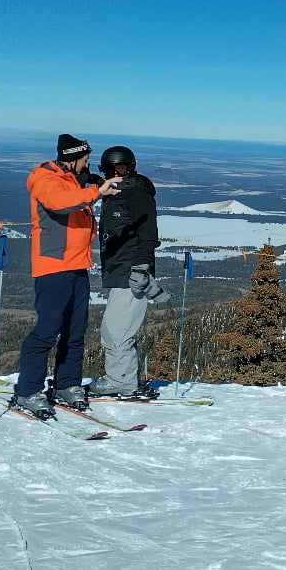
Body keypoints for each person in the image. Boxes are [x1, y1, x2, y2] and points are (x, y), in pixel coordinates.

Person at [13, 134, 119, 418]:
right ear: (72, 158)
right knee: (47, 331)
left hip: (76, 265)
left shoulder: (73, 177)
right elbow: (60, 203)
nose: (88, 164)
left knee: (75, 331)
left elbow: (84, 183)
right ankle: (28, 390)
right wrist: (97, 191)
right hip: (53, 266)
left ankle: (66, 385)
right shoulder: (45, 179)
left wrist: (98, 182)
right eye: (84, 159)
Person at [89, 145, 169, 399]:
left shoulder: (136, 194)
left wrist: (141, 267)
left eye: (120, 168)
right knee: (114, 328)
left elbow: (148, 234)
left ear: (130, 167)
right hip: (119, 269)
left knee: (116, 330)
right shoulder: (114, 192)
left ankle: (121, 382)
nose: (116, 173)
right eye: (110, 169)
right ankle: (121, 378)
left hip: (131, 272)